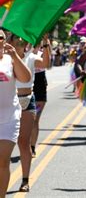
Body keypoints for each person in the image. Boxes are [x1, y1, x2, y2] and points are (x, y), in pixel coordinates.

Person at [9, 34, 50, 193]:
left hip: (27, 100)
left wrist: (46, 44)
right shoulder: (5, 58)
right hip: (9, 103)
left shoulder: (31, 57)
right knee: (5, 143)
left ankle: (25, 180)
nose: (20, 40)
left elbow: (46, 63)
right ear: (10, 41)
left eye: (22, 39)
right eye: (16, 38)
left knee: (23, 143)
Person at [0, 30, 31, 198]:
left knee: (2, 161)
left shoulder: (10, 60)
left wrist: (15, 56)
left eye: (1, 38)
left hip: (8, 119)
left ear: (5, 41)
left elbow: (26, 78)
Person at [30, 45, 49, 158]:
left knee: (35, 119)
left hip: (40, 84)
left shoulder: (43, 51)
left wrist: (46, 44)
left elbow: (48, 64)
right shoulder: (23, 50)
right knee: (25, 120)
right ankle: (25, 145)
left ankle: (32, 147)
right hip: (25, 84)